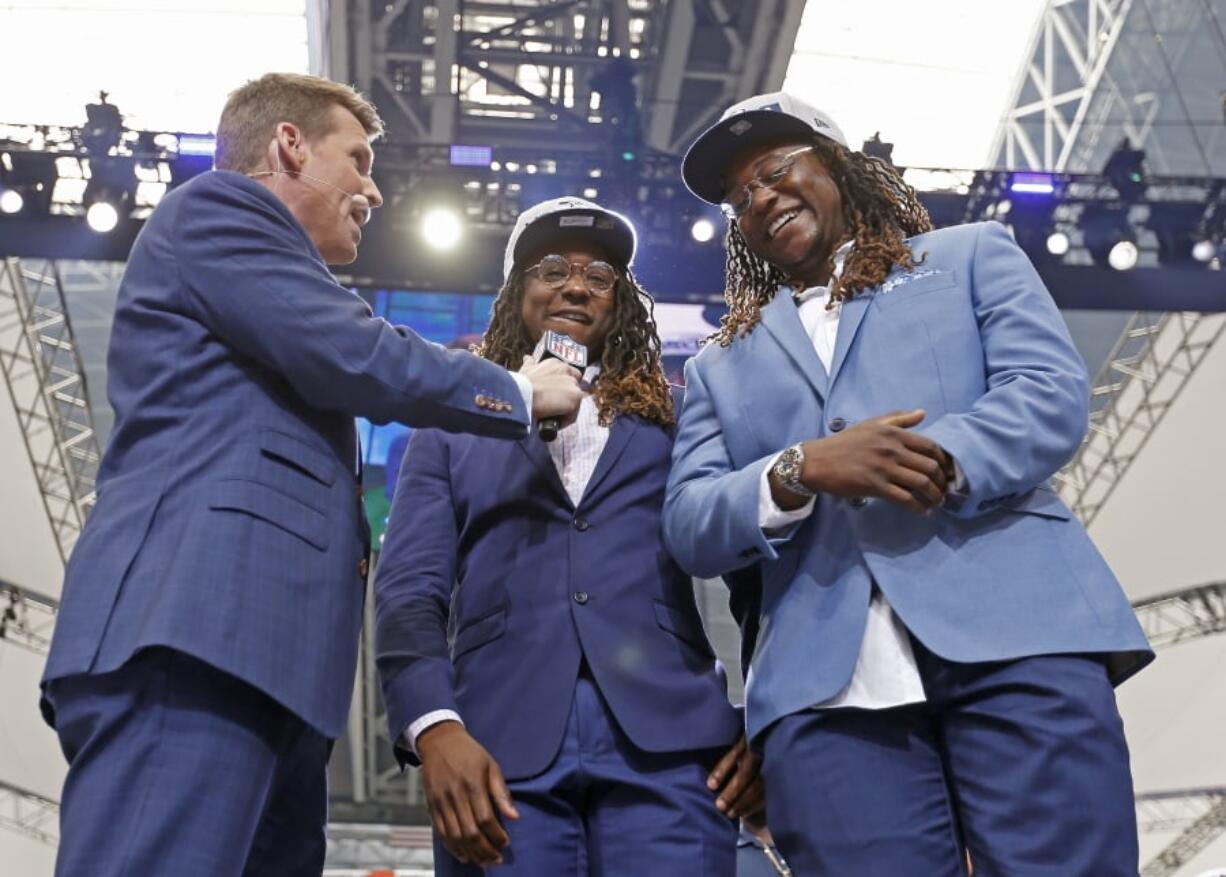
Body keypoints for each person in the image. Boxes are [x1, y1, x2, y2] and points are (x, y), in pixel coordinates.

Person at [39, 73, 583, 876]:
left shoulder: (267, 291)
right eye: (358, 159)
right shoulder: (218, 210)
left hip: (270, 671)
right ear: (289, 144)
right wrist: (515, 389)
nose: (373, 189)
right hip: (190, 637)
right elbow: (353, 351)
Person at [663, 92, 1155, 875]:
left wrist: (928, 458)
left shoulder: (969, 255)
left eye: (776, 168)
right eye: (740, 197)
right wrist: (801, 469)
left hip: (1018, 634)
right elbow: (690, 520)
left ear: (839, 162)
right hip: (826, 691)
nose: (760, 198)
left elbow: (1047, 393)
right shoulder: (718, 365)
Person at [374, 196, 762, 875]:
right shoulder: (448, 426)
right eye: (552, 268)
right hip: (496, 749)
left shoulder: (681, 415)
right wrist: (433, 725)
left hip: (674, 749)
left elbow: (754, 572)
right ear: (515, 291)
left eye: (600, 275)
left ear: (620, 302)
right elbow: (410, 591)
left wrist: (770, 715)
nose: (576, 285)